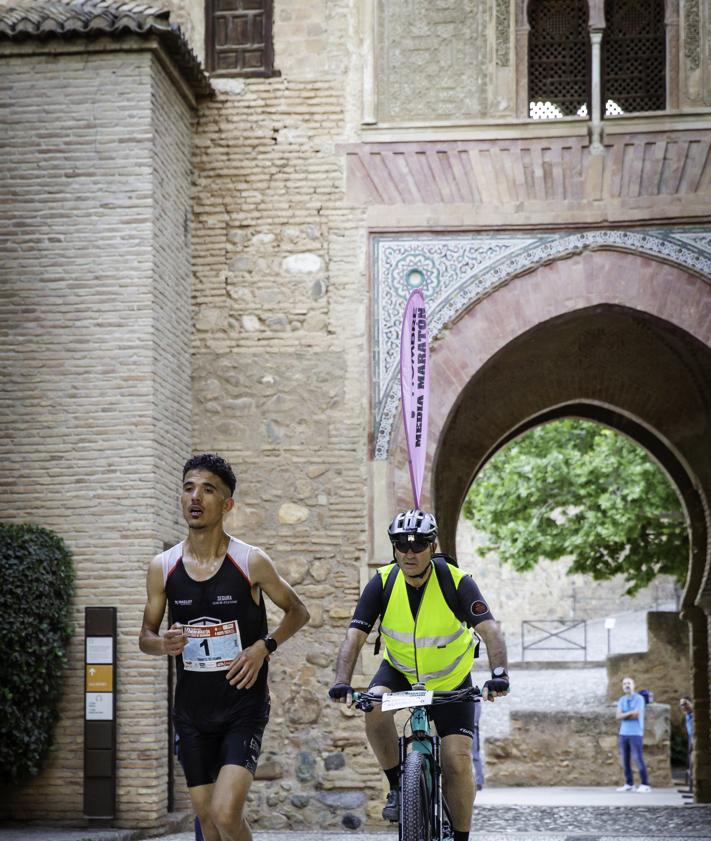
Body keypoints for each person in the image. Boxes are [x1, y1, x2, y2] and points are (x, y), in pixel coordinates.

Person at [139, 453, 310, 841]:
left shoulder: (250, 561)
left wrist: (263, 647)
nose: (195, 497)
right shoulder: (162, 567)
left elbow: (298, 612)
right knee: (209, 824)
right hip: (192, 713)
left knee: (225, 813)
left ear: (227, 504)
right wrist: (161, 643)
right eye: (188, 488)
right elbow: (145, 637)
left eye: (207, 489)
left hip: (242, 709)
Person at [329, 508, 509, 841]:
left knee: (457, 761)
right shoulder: (382, 582)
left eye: (418, 545)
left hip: (451, 681)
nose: (409, 553)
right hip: (400, 671)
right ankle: (398, 785)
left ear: (432, 546)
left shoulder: (457, 581)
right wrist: (342, 681)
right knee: (374, 708)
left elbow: (491, 631)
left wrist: (499, 674)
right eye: (401, 545)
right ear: (394, 547)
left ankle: (460, 836)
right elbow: (354, 637)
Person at [615, 676, 651, 793]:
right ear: (622, 687)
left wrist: (625, 714)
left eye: (629, 683)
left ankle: (645, 784)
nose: (627, 685)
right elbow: (618, 716)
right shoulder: (621, 700)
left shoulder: (640, 699)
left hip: (636, 733)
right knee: (625, 760)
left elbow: (636, 715)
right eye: (624, 683)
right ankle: (629, 784)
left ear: (634, 685)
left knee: (638, 758)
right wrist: (629, 713)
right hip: (623, 733)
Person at [471, 693, 484, 791]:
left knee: (475, 756)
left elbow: (476, 716)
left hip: (473, 730)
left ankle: (479, 782)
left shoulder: (476, 698)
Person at [680, 696, 694, 786]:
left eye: (685, 704)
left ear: (691, 703)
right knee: (690, 760)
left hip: (695, 737)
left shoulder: (696, 714)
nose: (684, 707)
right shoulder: (687, 715)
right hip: (691, 738)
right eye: (681, 705)